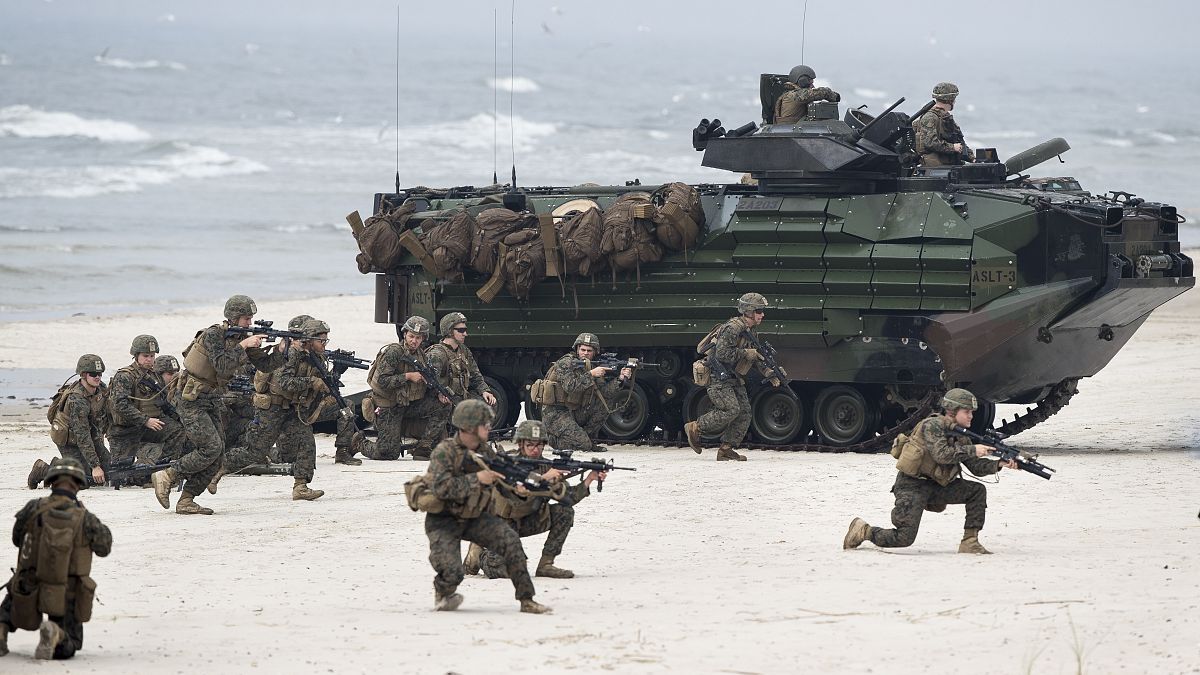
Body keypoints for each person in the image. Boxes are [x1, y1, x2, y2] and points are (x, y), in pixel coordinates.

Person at [150, 294, 285, 515]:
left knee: (218, 452)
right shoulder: (214, 335)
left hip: (211, 399)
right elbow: (222, 365)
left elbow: (266, 364)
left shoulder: (241, 338)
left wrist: (283, 350)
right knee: (209, 448)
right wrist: (243, 345)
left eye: (250, 319)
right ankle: (168, 475)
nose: (249, 323)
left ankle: (187, 500)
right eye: (245, 318)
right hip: (190, 399)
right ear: (233, 317)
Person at [842, 388, 1017, 554]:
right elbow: (941, 455)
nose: (971, 416)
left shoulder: (960, 435)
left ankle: (970, 542)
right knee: (904, 538)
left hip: (936, 486)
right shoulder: (933, 425)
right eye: (967, 412)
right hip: (912, 485)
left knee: (977, 491)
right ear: (951, 411)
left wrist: (1000, 464)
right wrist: (973, 449)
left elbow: (975, 467)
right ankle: (864, 531)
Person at [424, 399, 550, 614]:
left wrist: (519, 488)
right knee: (453, 573)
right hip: (444, 520)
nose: (489, 428)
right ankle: (444, 592)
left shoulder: (484, 450)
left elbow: (503, 475)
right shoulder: (444, 452)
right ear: (470, 427)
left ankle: (527, 599)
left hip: (475, 516)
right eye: (485, 424)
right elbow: (440, 488)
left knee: (511, 542)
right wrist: (477, 478)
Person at [0, 458, 112, 660]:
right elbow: (104, 548)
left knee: (16, 585)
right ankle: (56, 633)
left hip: (29, 584)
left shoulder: (34, 507)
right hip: (66, 589)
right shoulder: (85, 518)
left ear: (51, 482)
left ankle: (1, 629)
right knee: (70, 645)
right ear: (78, 485)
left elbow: (18, 539)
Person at [467, 419, 605, 580]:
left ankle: (546, 565)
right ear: (520, 444)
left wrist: (589, 480)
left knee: (564, 512)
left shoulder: (546, 466)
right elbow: (516, 493)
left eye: (539, 445)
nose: (535, 450)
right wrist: (545, 478)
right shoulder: (506, 463)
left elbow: (566, 497)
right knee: (503, 572)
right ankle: (478, 555)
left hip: (529, 519)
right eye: (530, 445)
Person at [218, 318, 337, 501]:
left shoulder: (315, 356)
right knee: (255, 451)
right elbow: (284, 382)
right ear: (310, 339)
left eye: (325, 340)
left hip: (291, 409)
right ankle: (219, 467)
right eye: (321, 340)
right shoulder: (293, 353)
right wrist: (312, 383)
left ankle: (301, 486)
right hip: (271, 408)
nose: (324, 344)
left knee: (306, 442)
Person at [685, 292, 782, 461]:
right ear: (749, 311)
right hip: (718, 375)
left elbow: (756, 356)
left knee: (744, 413)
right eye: (759, 311)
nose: (762, 314)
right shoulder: (733, 328)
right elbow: (722, 354)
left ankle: (726, 449)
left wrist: (769, 372)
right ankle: (695, 427)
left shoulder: (750, 331)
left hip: (733, 377)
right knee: (731, 410)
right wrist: (746, 353)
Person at [360, 315, 451, 461]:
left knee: (443, 404)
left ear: (423, 339)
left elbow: (428, 380)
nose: (414, 341)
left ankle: (423, 447)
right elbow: (382, 381)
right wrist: (407, 376)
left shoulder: (421, 355)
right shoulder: (394, 352)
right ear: (404, 334)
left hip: (408, 404)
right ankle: (359, 442)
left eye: (418, 338)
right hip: (388, 406)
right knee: (388, 453)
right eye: (411, 336)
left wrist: (438, 392)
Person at [535, 333, 631, 454]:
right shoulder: (566, 363)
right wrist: (591, 374)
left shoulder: (591, 365)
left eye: (589, 351)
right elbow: (570, 387)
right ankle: (555, 439)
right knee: (583, 445)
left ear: (594, 352)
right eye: (583, 350)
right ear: (577, 349)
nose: (585, 353)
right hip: (556, 413)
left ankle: (587, 440)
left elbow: (603, 393)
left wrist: (620, 378)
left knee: (605, 402)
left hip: (574, 410)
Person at [106, 335, 187, 467]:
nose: (149, 359)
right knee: (123, 473)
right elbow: (120, 405)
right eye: (145, 356)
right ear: (136, 356)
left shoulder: (154, 375)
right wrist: (145, 420)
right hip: (125, 431)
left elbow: (163, 401)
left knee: (177, 430)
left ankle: (162, 466)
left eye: (152, 356)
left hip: (147, 428)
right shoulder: (125, 376)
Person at [424, 312, 497, 422]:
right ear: (449, 331)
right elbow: (428, 382)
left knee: (488, 404)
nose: (465, 334)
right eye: (461, 330)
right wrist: (439, 393)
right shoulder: (437, 354)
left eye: (465, 330)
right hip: (444, 400)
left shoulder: (463, 350)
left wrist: (484, 391)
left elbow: (475, 375)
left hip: (461, 397)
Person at [913, 81, 974, 167]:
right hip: (934, 167)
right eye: (954, 99)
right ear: (950, 100)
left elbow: (959, 141)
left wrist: (973, 158)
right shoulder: (930, 117)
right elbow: (930, 143)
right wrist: (952, 147)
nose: (955, 102)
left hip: (949, 164)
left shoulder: (946, 117)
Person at [772, 65, 841, 124]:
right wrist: (835, 97)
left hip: (793, 131)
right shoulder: (795, 96)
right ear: (803, 81)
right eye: (810, 83)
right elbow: (824, 92)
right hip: (794, 133)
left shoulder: (790, 95)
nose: (813, 86)